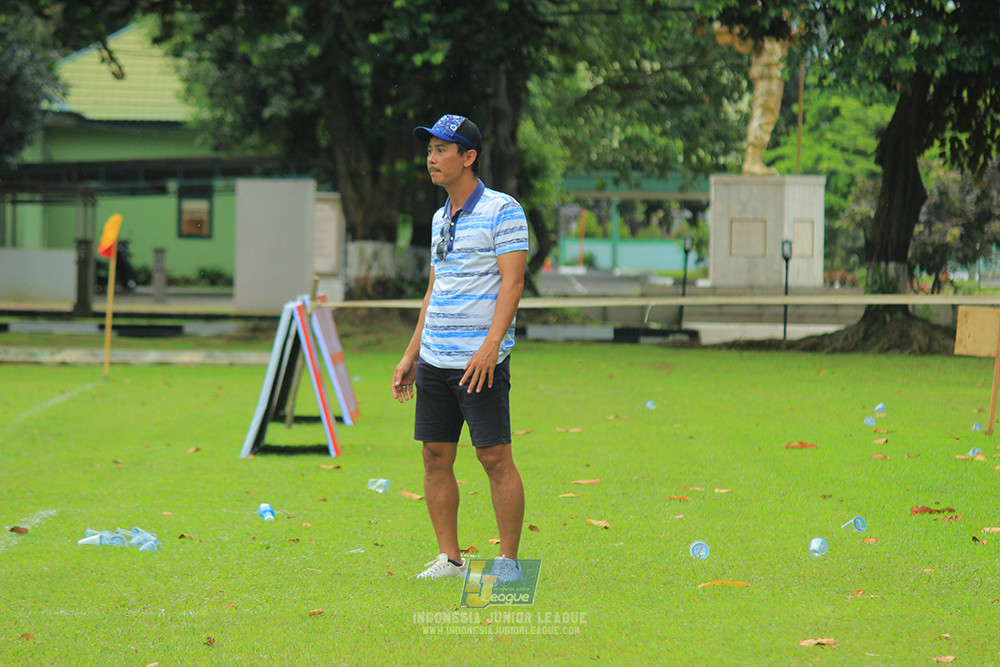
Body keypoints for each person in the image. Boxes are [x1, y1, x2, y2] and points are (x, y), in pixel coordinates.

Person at [392, 114, 529, 582]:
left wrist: (492, 345)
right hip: (435, 357)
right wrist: (412, 353)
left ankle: (508, 563)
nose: (431, 159)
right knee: (434, 456)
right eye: (429, 150)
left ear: (468, 157)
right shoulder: (438, 217)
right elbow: (435, 288)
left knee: (494, 458)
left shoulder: (503, 210)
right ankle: (450, 558)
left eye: (441, 150)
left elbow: (513, 282)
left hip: (479, 360)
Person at [714, 24, 790, 176]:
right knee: (765, 110)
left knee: (769, 112)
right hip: (767, 64)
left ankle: (755, 158)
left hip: (775, 65)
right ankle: (753, 158)